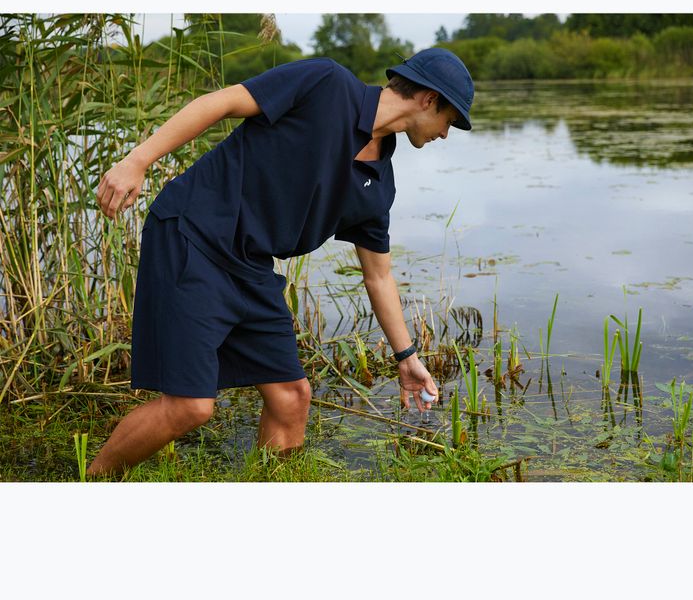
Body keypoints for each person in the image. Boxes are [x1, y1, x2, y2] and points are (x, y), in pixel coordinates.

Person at [87, 47, 474, 476]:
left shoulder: (378, 183)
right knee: (191, 406)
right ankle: (95, 479)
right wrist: (137, 160)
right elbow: (222, 102)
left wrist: (407, 358)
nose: (446, 133)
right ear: (428, 99)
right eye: (450, 121)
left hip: (251, 266)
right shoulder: (327, 85)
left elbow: (378, 275)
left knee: (292, 397)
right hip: (195, 233)